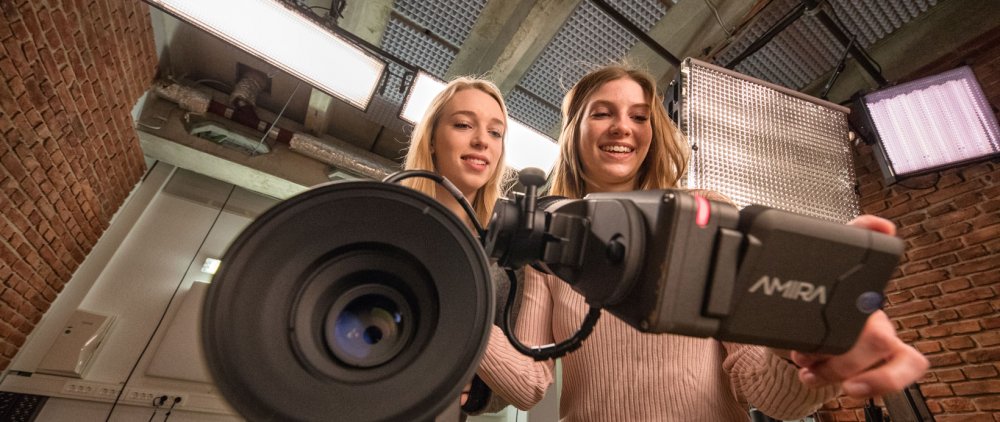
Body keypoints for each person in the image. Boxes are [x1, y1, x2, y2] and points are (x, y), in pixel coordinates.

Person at [474, 64, 930, 421]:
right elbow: (529, 383)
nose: (622, 127)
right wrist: (460, 306)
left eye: (639, 115)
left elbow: (773, 397)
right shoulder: (547, 250)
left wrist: (798, 340)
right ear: (575, 130)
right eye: (602, 113)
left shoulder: (704, 213)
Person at [399, 76, 520, 419]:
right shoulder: (383, 218)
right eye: (464, 124)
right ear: (433, 139)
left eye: (496, 133)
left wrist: (479, 391)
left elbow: (513, 376)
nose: (482, 140)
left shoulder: (507, 257)